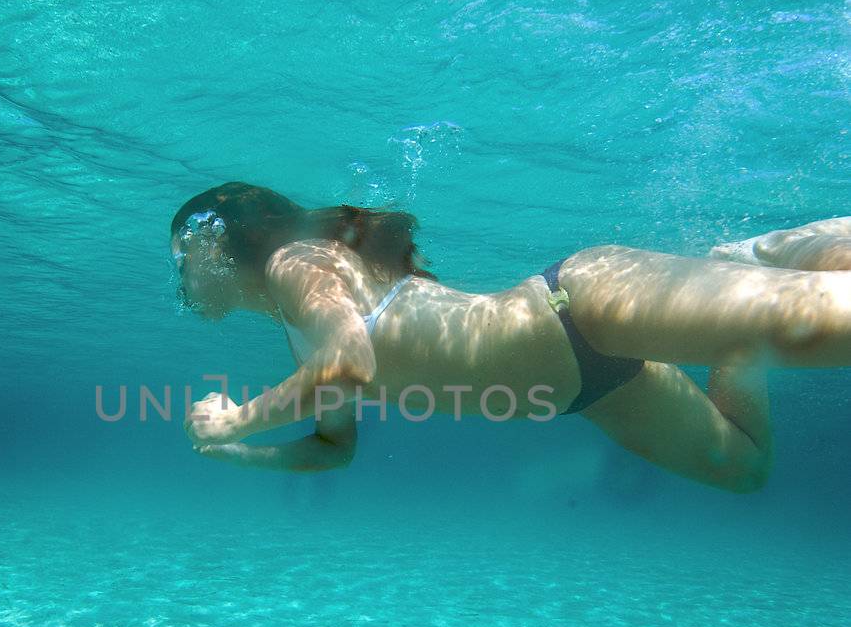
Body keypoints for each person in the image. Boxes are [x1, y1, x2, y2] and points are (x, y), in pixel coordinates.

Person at [170, 182, 851, 492]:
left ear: (220, 250)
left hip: (579, 309)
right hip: (592, 389)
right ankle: (739, 269)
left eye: (183, 258)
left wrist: (238, 421)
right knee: (742, 469)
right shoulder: (297, 335)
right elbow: (329, 450)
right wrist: (231, 452)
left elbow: (350, 361)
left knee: (835, 319)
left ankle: (748, 267)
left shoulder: (298, 263)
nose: (181, 278)